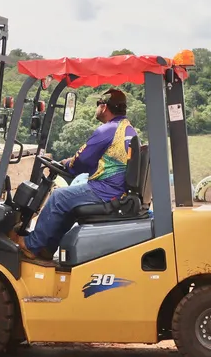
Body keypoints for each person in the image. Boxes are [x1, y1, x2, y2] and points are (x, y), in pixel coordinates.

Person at [11, 89, 137, 260]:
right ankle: (47, 248)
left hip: (106, 191)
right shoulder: (126, 128)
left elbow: (81, 161)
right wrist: (72, 163)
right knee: (69, 201)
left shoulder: (107, 130)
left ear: (104, 107)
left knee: (59, 197)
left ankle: (31, 245)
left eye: (97, 104)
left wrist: (67, 164)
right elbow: (95, 159)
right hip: (115, 188)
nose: (97, 108)